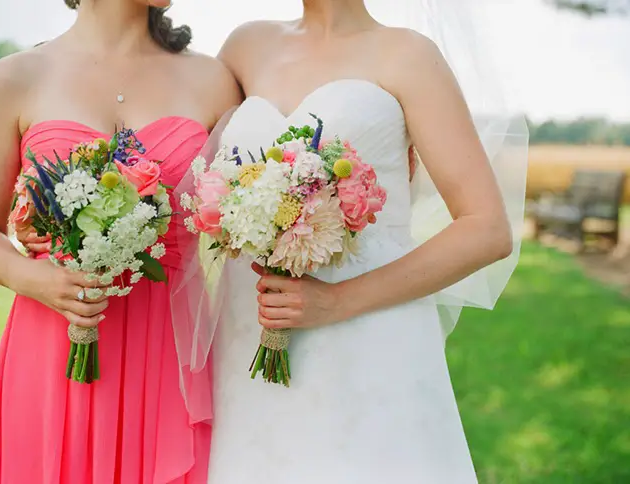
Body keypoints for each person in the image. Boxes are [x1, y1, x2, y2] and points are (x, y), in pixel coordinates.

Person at [205, 0, 525, 482]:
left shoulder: (408, 56)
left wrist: (335, 302)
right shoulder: (244, 47)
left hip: (371, 332)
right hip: (250, 330)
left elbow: (486, 227)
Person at [0, 0, 239, 482]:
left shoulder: (213, 79)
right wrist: (34, 278)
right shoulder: (16, 77)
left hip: (166, 357)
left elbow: (238, 216)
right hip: (53, 339)